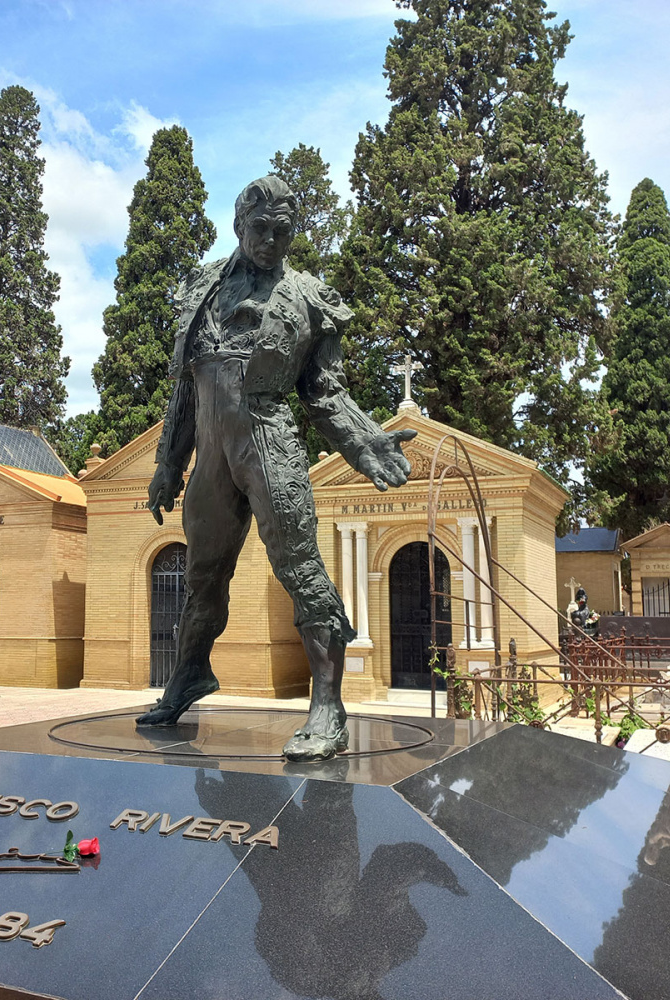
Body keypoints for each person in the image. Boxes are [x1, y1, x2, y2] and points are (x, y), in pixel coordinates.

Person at [138, 175, 415, 761]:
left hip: (269, 443)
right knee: (203, 574)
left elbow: (325, 391)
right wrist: (168, 463)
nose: (270, 240)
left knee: (299, 567)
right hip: (211, 452)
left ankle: (328, 708)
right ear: (239, 226)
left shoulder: (309, 298)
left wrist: (364, 442)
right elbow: (185, 392)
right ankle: (189, 674)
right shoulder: (202, 288)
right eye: (260, 228)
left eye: (282, 232)